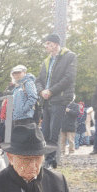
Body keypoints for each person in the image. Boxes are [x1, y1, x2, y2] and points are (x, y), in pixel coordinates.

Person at [35, 34, 77, 169]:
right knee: (45, 130)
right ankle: (47, 158)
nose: (46, 46)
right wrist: (42, 91)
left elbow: (69, 78)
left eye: (48, 43)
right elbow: (38, 80)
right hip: (46, 100)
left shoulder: (69, 56)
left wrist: (51, 91)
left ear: (55, 44)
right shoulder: (46, 61)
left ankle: (51, 159)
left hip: (59, 99)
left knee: (54, 130)